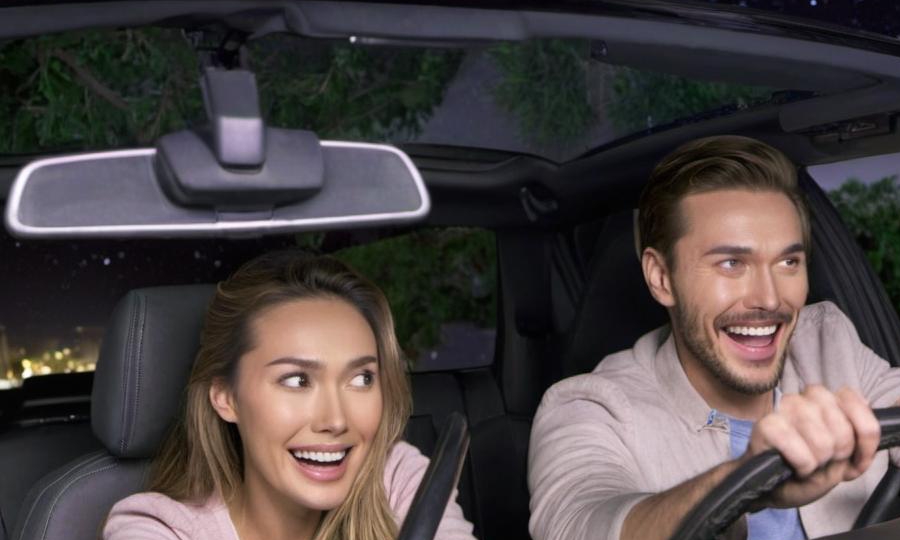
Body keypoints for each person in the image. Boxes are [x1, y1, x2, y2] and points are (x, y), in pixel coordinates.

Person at [528, 135, 900, 540]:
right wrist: (748, 479)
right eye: (731, 263)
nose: (770, 298)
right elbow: (579, 522)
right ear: (661, 277)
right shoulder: (591, 406)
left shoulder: (828, 339)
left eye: (788, 261)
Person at [104, 251, 475, 540]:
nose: (335, 420)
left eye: (361, 379)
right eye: (297, 381)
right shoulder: (157, 528)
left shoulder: (396, 476)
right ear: (225, 397)